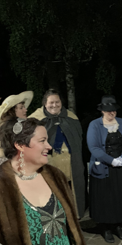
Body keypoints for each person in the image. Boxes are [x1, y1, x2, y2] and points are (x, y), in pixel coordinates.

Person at [29, 89, 87, 218]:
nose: (54, 105)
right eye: (51, 102)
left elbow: (78, 141)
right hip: (49, 162)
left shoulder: (71, 117)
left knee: (70, 191)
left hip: (71, 163)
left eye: (57, 102)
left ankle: (71, 217)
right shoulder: (36, 119)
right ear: (45, 103)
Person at [87, 95, 122, 243]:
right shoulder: (95, 125)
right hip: (103, 167)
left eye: (113, 110)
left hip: (120, 167)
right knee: (105, 198)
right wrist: (111, 160)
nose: (111, 113)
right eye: (108, 111)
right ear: (102, 111)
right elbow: (94, 147)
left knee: (119, 197)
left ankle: (117, 225)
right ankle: (105, 227)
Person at [0, 91, 33, 165]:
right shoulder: (8, 126)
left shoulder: (12, 123)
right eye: (21, 108)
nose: (25, 110)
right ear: (12, 111)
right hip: (7, 160)